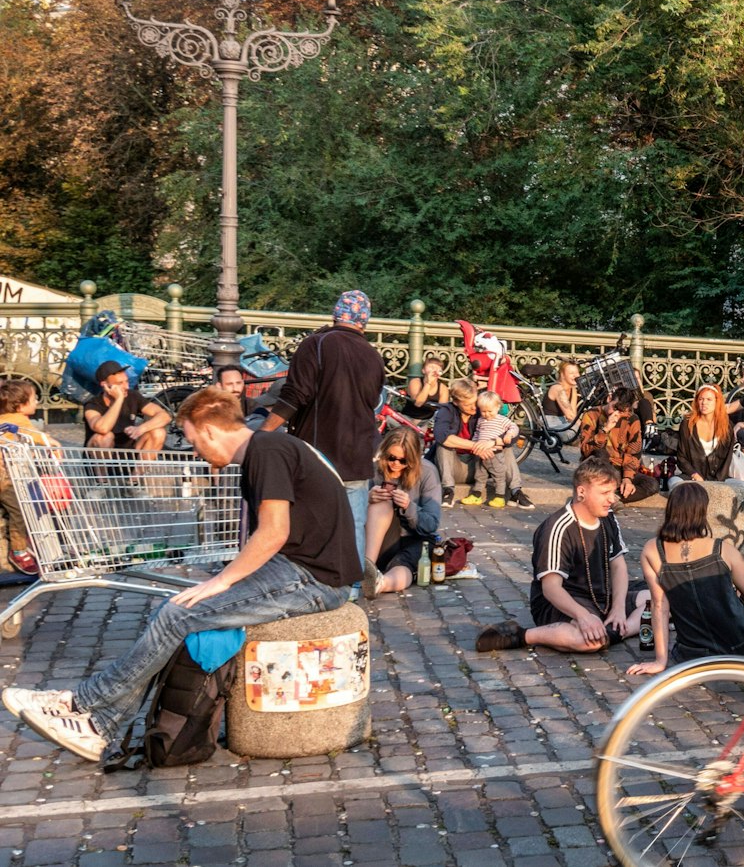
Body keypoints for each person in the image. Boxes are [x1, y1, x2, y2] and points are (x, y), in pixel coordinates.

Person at [3, 388, 356, 762]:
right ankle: (98, 723)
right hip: (300, 570)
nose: (195, 453)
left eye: (191, 440)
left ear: (209, 431)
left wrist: (222, 582)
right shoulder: (267, 449)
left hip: (314, 580)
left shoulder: (266, 452)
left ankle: (89, 711)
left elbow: (273, 532)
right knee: (177, 610)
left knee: (178, 614)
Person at [263, 290, 385, 571]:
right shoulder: (374, 357)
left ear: (335, 314)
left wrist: (264, 432)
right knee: (354, 520)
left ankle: (306, 576)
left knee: (309, 516)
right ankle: (351, 583)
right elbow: (372, 402)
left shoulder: (316, 344)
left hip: (318, 452)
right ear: (364, 321)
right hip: (358, 452)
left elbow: (295, 396)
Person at [476, 457, 633, 654]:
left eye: (613, 492)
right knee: (588, 641)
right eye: (604, 493)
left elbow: (618, 564)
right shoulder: (557, 527)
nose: (612, 499)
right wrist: (582, 616)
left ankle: (610, 631)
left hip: (601, 596)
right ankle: (521, 635)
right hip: (563, 602)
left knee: (657, 600)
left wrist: (618, 608)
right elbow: (550, 588)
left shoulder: (608, 517)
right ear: (581, 491)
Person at [627, 482, 744, 674]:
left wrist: (660, 661)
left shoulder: (653, 550)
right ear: (702, 511)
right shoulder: (723, 549)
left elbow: (660, 607)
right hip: (739, 648)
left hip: (692, 655)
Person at [360, 425, 442, 597]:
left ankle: (378, 584)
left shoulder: (427, 472)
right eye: (391, 458)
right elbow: (350, 512)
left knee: (404, 564)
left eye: (402, 460)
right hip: (379, 538)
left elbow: (431, 524)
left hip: (415, 537)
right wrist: (366, 499)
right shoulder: (374, 470)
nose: (395, 464)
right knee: (380, 502)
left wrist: (408, 506)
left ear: (412, 460)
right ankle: (367, 567)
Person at [0, 379, 58, 575]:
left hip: (6, 475)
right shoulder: (18, 421)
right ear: (21, 405)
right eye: (34, 398)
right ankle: (18, 551)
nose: (37, 402)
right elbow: (38, 438)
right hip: (5, 480)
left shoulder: (5, 418)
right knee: (20, 510)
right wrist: (54, 445)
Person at [575, 385, 660, 503]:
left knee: (652, 484)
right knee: (601, 453)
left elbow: (634, 452)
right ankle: (606, 495)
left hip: (618, 468)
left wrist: (627, 478)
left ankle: (613, 498)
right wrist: (605, 430)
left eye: (621, 411)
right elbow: (585, 449)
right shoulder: (591, 414)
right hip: (595, 467)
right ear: (609, 399)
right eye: (615, 408)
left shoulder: (632, 419)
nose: (616, 413)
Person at [674, 384, 744, 494]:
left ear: (717, 402)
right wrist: (694, 474)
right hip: (692, 477)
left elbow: (727, 460)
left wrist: (716, 483)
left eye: (709, 399)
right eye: (701, 399)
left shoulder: (727, 426)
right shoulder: (687, 424)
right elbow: (681, 457)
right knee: (674, 484)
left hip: (719, 479)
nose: (704, 403)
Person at [82, 361, 169, 454]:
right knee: (104, 437)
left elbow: (164, 416)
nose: (126, 386)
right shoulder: (93, 404)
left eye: (126, 381)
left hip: (128, 455)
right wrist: (119, 400)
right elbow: (102, 428)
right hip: (100, 460)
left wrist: (141, 428)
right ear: (105, 385)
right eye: (120, 383)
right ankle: (104, 469)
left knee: (158, 432)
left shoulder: (132, 396)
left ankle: (138, 469)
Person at [463, 391, 524, 510]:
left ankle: (499, 496)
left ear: (497, 407)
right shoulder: (481, 420)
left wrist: (509, 434)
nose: (487, 414)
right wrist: (475, 444)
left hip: (495, 453)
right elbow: (477, 433)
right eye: (483, 411)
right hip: (481, 454)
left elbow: (514, 427)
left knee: (499, 475)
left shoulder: (501, 419)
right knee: (479, 475)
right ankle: (476, 495)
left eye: (490, 411)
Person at [429, 380, 485, 507]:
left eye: (475, 402)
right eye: (467, 405)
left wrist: (494, 442)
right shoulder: (446, 411)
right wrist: (475, 445)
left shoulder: (481, 409)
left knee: (504, 446)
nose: (474, 408)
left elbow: (507, 428)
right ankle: (448, 490)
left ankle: (515, 490)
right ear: (455, 402)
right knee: (444, 445)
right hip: (452, 468)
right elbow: (442, 436)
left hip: (478, 467)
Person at [543, 360, 583, 444]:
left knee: (577, 430)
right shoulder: (557, 388)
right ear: (563, 375)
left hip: (563, 423)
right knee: (576, 430)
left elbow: (573, 414)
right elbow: (570, 415)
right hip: (550, 425)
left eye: (577, 372)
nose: (576, 376)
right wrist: (586, 427)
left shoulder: (573, 390)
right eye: (571, 373)